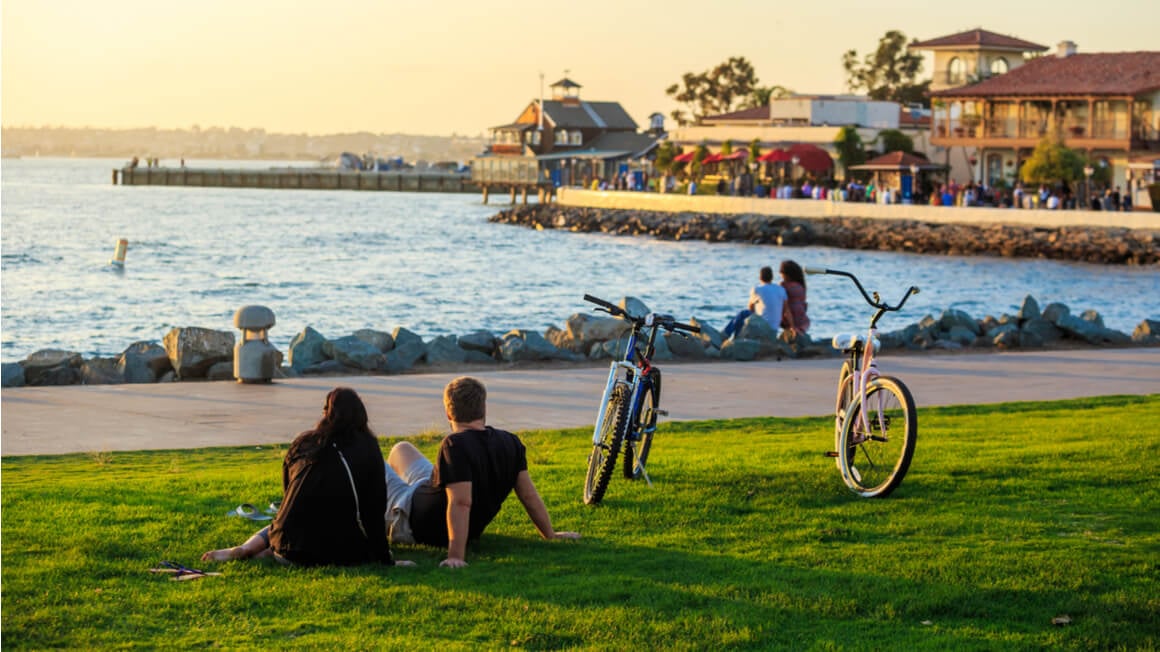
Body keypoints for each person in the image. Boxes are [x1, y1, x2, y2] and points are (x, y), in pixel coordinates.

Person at [384, 376, 579, 568]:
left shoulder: (454, 445)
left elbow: (461, 502)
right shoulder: (511, 442)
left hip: (409, 517)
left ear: (448, 414)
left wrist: (456, 556)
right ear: (483, 409)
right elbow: (528, 495)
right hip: (426, 491)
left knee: (378, 463)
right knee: (401, 449)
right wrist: (550, 534)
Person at [201, 387, 407, 567]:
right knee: (338, 531)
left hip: (285, 542)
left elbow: (287, 494)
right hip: (332, 551)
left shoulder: (304, 442)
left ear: (326, 414)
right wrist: (385, 558)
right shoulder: (368, 447)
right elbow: (373, 509)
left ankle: (248, 548)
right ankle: (266, 554)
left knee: (282, 522)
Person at [721, 266, 787, 339]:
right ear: (772, 277)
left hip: (762, 327)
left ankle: (727, 335)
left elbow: (750, 308)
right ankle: (735, 338)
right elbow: (786, 310)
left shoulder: (757, 289)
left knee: (743, 314)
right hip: (774, 330)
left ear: (760, 277)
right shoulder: (781, 289)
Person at [779, 260, 810, 336]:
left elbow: (784, 307)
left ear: (786, 274)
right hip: (802, 319)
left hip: (789, 319)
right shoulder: (801, 285)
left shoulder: (784, 285)